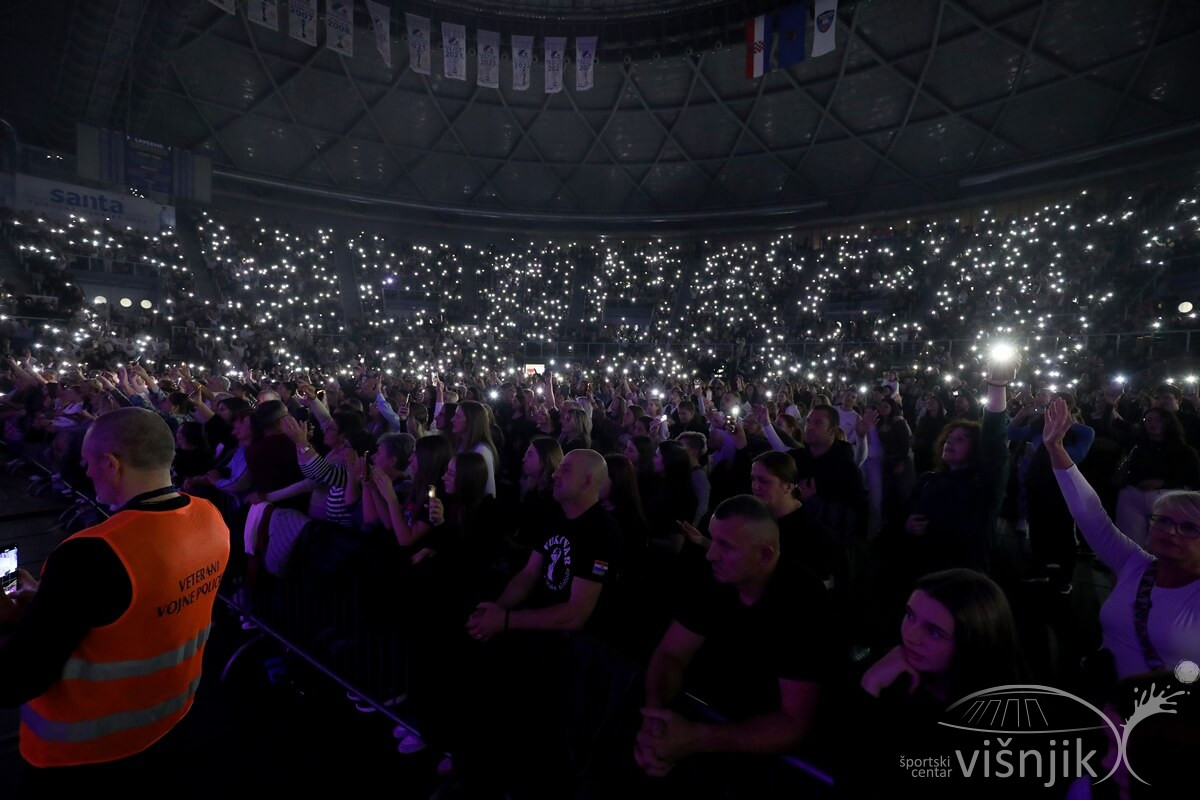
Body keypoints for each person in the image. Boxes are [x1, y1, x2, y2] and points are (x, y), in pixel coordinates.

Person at [0, 408, 230, 780]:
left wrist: (12, 620)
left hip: (86, 754)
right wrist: (48, 600)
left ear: (110, 464)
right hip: (173, 718)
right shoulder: (210, 517)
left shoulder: (92, 552)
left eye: (88, 463)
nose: (87, 473)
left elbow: (16, 680)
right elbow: (132, 607)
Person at [635, 495, 832, 788]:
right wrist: (656, 716)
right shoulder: (717, 576)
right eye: (712, 540)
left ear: (765, 555)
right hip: (704, 716)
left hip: (764, 754)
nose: (710, 554)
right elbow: (671, 653)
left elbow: (793, 723)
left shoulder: (803, 601)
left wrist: (696, 739)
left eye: (725, 546)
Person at [1043, 397, 1200, 679]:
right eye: (1163, 520)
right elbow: (1089, 513)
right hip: (1106, 704)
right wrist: (1055, 448)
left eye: (1188, 527)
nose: (1170, 531)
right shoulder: (1135, 564)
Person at [846, 568, 1026, 797]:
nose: (911, 635)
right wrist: (871, 682)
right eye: (910, 615)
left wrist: (869, 689)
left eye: (934, 632)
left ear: (973, 644)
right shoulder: (893, 670)